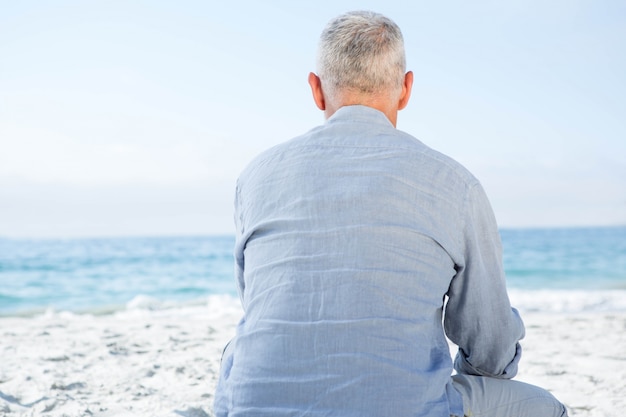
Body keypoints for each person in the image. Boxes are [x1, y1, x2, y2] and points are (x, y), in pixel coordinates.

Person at [214, 10, 567, 417]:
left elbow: (258, 302)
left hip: (252, 408)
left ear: (316, 90)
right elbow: (490, 347)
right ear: (405, 89)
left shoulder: (255, 177)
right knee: (546, 407)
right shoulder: (455, 185)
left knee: (233, 352)